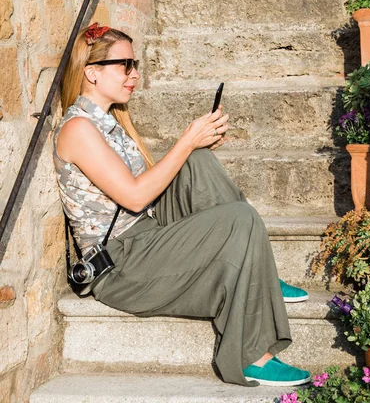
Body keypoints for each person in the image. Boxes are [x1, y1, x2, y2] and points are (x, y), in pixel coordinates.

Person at [53, 22, 311, 388]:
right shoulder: (78, 129)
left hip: (146, 237)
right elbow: (135, 196)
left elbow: (148, 190)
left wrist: (194, 147)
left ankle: (258, 274)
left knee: (198, 163)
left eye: (135, 63)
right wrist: (186, 141)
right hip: (120, 265)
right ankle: (252, 354)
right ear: (92, 73)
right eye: (125, 65)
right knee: (239, 218)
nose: (135, 74)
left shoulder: (109, 122)